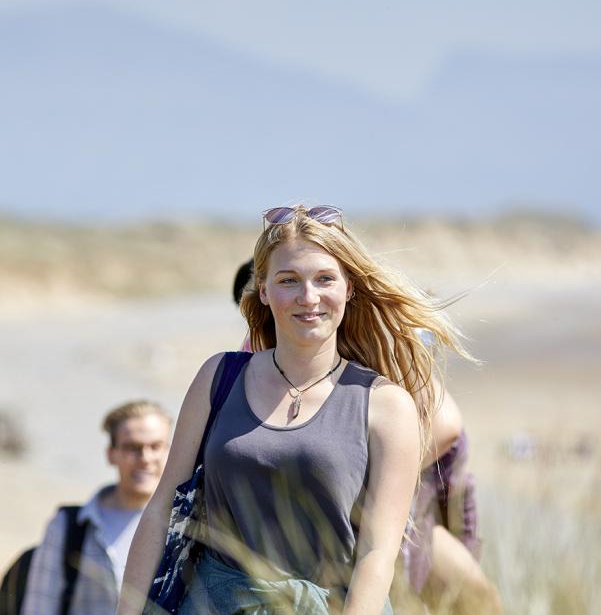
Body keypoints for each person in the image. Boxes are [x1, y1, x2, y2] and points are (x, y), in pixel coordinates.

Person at [119, 204, 473, 614]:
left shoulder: (386, 404)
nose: (309, 298)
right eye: (289, 281)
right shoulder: (219, 377)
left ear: (349, 288)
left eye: (325, 279)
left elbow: (377, 554)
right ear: (264, 290)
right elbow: (161, 506)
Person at [22, 400, 172, 615]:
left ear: (170, 452)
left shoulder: (188, 527)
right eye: (133, 448)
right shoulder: (69, 527)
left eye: (155, 446)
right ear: (111, 454)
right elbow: (38, 608)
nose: (145, 458)